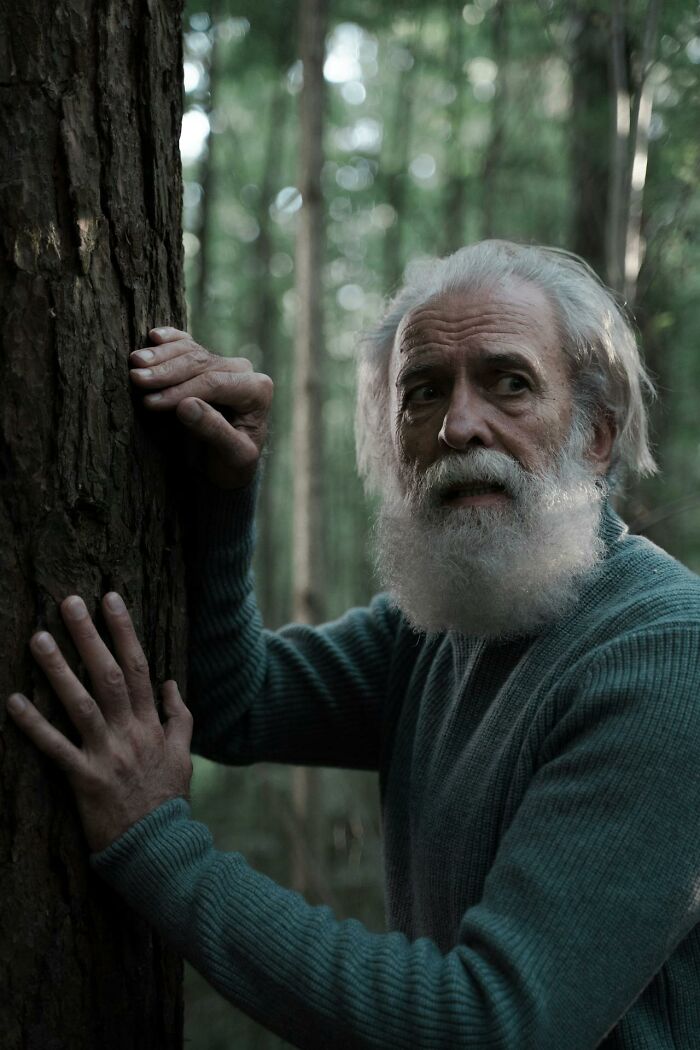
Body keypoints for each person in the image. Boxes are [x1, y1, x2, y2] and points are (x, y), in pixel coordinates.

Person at [7, 241, 700, 1049]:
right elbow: (235, 703)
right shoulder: (442, 626)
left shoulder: (666, 657)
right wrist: (222, 496)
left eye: (509, 384)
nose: (458, 425)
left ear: (596, 436)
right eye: (423, 392)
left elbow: (493, 1024)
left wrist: (156, 846)